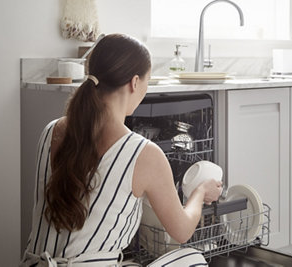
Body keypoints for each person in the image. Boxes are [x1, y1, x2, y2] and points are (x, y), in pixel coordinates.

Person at [20, 34, 223, 266]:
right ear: (135, 82)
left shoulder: (51, 131)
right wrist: (200, 192)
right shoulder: (144, 153)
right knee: (191, 260)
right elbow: (182, 231)